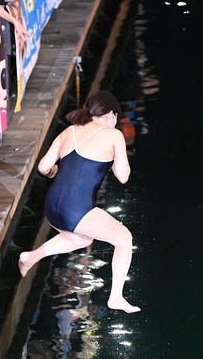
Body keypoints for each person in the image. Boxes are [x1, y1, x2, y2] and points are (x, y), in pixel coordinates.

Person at [18, 91, 140, 314]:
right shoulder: (114, 135)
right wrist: (116, 154)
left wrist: (56, 171)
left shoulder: (69, 131)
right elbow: (123, 176)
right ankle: (116, 297)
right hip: (77, 210)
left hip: (52, 208)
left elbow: (44, 168)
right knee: (124, 238)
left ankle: (31, 257)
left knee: (81, 238)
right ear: (112, 114)